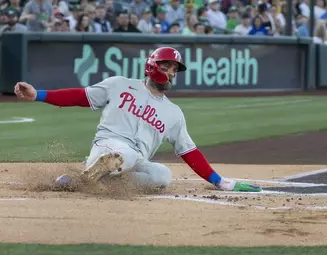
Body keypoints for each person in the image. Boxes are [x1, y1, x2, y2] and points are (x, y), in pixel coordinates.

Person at [13, 47, 261, 194]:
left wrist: (220, 182)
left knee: (163, 175)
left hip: (136, 159)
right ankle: (97, 170)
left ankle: (88, 182)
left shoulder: (174, 113)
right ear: (153, 66)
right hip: (108, 145)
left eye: (175, 70)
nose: (172, 73)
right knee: (123, 154)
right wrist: (38, 95)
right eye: (168, 67)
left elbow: (189, 151)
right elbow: (80, 96)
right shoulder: (120, 85)